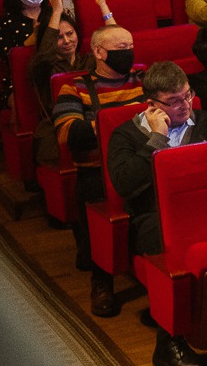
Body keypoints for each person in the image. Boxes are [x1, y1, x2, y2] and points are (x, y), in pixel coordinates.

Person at [104, 61, 207, 366]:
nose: (185, 105)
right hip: (152, 217)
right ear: (152, 105)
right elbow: (126, 185)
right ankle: (169, 342)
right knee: (173, 242)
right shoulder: (126, 136)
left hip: (204, 210)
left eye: (187, 96)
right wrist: (156, 141)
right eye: (174, 102)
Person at [52, 24, 143, 315]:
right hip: (98, 169)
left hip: (142, 164)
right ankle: (101, 280)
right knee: (93, 196)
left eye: (130, 47)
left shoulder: (144, 79)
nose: (128, 54)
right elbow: (68, 133)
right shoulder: (75, 87)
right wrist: (125, 125)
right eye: (120, 49)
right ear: (100, 52)